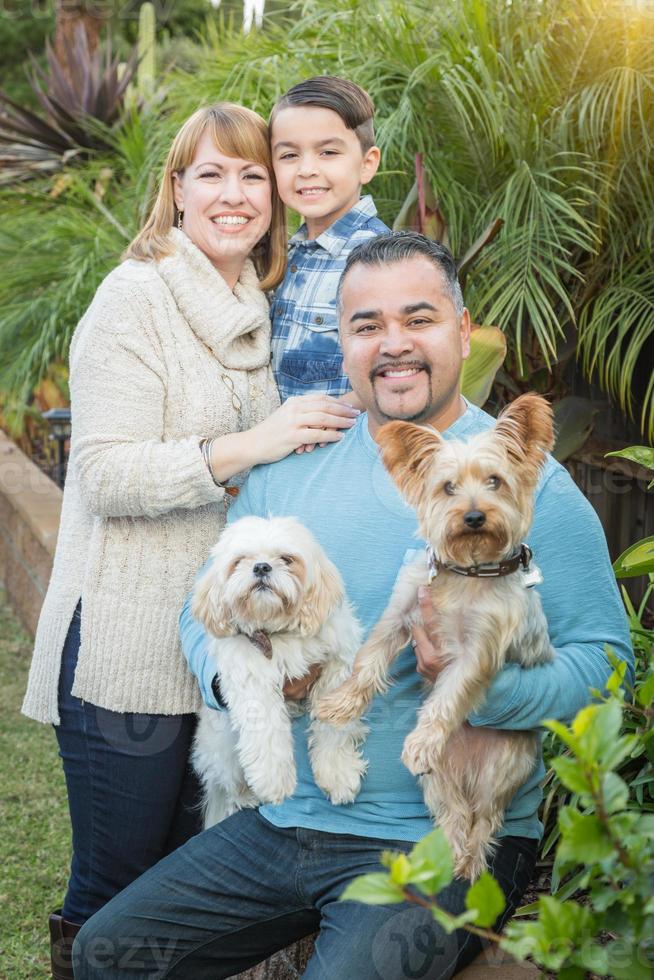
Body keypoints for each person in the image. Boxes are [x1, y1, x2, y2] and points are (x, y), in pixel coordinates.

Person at [73, 232, 633, 979]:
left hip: (441, 835)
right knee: (107, 954)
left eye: (419, 319)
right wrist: (249, 680)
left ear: (463, 332)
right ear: (342, 343)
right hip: (285, 820)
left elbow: (606, 660)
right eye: (367, 326)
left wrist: (489, 691)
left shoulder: (525, 488)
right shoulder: (293, 465)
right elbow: (199, 612)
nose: (393, 345)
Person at [21, 102, 360, 979]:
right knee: (119, 890)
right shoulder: (134, 297)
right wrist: (256, 443)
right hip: (126, 654)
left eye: (253, 175)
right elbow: (102, 475)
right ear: (176, 190)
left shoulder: (259, 307)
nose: (235, 193)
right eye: (211, 174)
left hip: (217, 652)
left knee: (185, 894)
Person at [269, 75, 389, 402]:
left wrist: (315, 425)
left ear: (367, 164)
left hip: (335, 448)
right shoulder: (284, 256)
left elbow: (391, 378)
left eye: (328, 152)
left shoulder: (382, 261)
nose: (307, 169)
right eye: (289, 155)